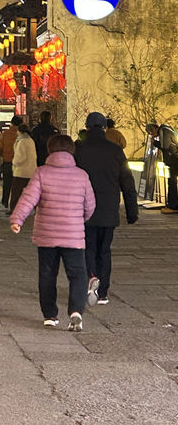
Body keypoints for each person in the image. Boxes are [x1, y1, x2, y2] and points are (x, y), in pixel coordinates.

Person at [10, 134, 96, 331]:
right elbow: (90, 205)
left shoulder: (42, 173)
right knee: (78, 275)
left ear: (50, 150)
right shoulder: (81, 175)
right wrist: (79, 220)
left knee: (48, 275)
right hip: (73, 236)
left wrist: (17, 220)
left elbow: (28, 199)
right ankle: (75, 311)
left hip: (46, 235)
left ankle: (50, 315)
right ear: (72, 151)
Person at [75, 111, 138, 306]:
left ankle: (90, 279)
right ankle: (102, 293)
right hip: (109, 208)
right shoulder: (115, 150)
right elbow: (127, 182)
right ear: (104, 128)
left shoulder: (78, 149)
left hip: (84, 208)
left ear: (86, 127)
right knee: (105, 250)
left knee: (88, 248)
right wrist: (131, 211)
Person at [9, 124, 37, 213]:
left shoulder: (22, 141)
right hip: (31, 170)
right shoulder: (30, 140)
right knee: (32, 192)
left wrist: (14, 162)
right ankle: (37, 209)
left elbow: (20, 157)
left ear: (19, 131)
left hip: (21, 171)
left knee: (16, 192)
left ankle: (14, 209)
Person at [0, 115, 22, 209]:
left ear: (11, 123)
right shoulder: (21, 135)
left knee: (7, 183)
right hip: (19, 163)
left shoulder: (5, 134)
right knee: (17, 184)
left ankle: (5, 200)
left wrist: (3, 155)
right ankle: (15, 202)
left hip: (7, 161)